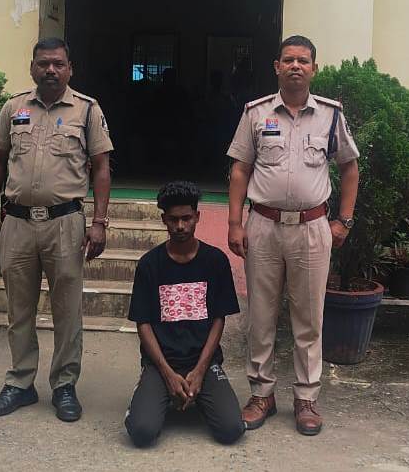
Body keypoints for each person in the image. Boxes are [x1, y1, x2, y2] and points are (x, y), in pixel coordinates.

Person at [226, 34, 359, 437]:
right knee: (261, 315)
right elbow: (240, 169)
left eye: (303, 60)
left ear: (314, 69)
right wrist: (234, 223)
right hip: (263, 227)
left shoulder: (331, 116)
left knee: (309, 319)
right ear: (277, 67)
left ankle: (306, 398)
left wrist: (344, 221)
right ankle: (261, 394)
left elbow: (349, 168)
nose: (296, 66)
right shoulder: (256, 113)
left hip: (312, 229)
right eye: (288, 60)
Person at [0, 37, 112, 422]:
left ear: (70, 69)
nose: (50, 70)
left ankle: (65, 385)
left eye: (58, 64)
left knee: (67, 310)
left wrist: (99, 222)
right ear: (32, 67)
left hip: (65, 223)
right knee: (18, 309)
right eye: (43, 64)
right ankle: (20, 382)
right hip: (17, 222)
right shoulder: (13, 108)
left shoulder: (87, 110)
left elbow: (101, 168)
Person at [124, 181, 245, 448]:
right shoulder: (149, 265)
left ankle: (196, 394)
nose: (180, 226)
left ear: (197, 217)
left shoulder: (215, 261)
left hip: (203, 362)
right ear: (163, 220)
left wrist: (200, 370)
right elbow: (143, 324)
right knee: (141, 432)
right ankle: (157, 391)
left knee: (232, 429)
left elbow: (218, 319)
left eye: (186, 218)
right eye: (173, 219)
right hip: (161, 364)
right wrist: (167, 373)